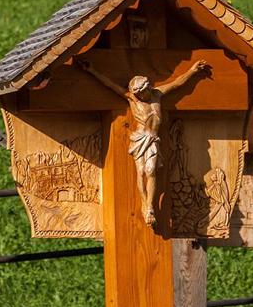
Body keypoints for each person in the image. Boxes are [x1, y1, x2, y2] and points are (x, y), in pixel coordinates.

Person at [78, 58, 211, 226]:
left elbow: (177, 83)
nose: (141, 95)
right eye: (138, 93)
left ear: (148, 88)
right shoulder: (132, 99)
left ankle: (150, 207)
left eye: (143, 92)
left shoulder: (157, 94)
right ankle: (144, 203)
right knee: (141, 172)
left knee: (151, 171)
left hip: (153, 138)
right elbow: (110, 85)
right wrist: (92, 70)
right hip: (140, 139)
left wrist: (193, 71)